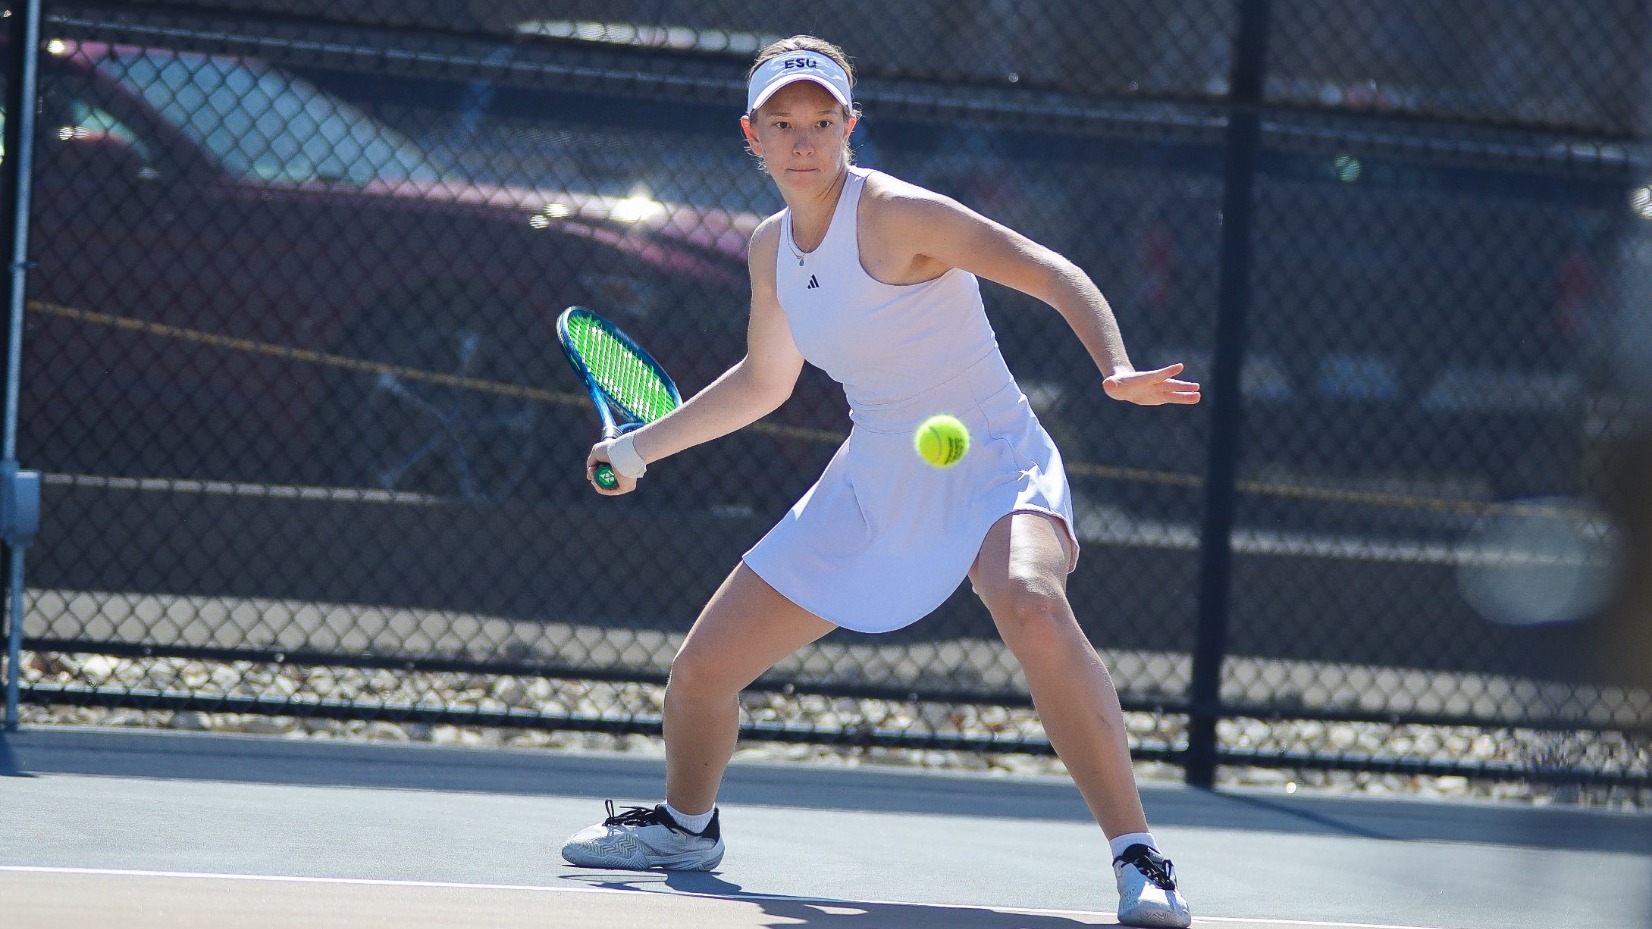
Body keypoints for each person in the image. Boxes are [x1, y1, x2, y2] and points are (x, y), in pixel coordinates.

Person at [561, 35, 1200, 928]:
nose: (803, 140)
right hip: (872, 475)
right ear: (751, 135)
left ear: (849, 126)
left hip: (992, 458)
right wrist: (640, 450)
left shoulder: (899, 215)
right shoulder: (768, 250)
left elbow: (1050, 271)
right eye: (783, 124)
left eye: (822, 122)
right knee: (700, 675)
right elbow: (763, 382)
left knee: (1031, 603)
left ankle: (1138, 857)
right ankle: (685, 825)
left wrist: (1115, 366)